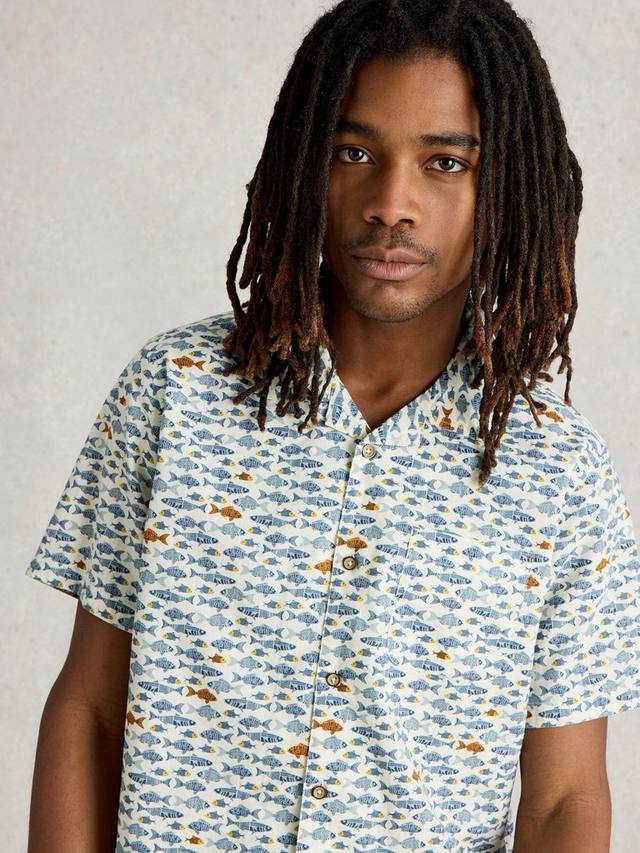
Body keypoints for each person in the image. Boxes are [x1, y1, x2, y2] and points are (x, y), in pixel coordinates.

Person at [25, 1, 640, 851]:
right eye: (354, 153)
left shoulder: (560, 472)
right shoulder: (176, 394)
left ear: (508, 185)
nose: (392, 203)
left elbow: (563, 798)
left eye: (446, 162)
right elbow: (90, 707)